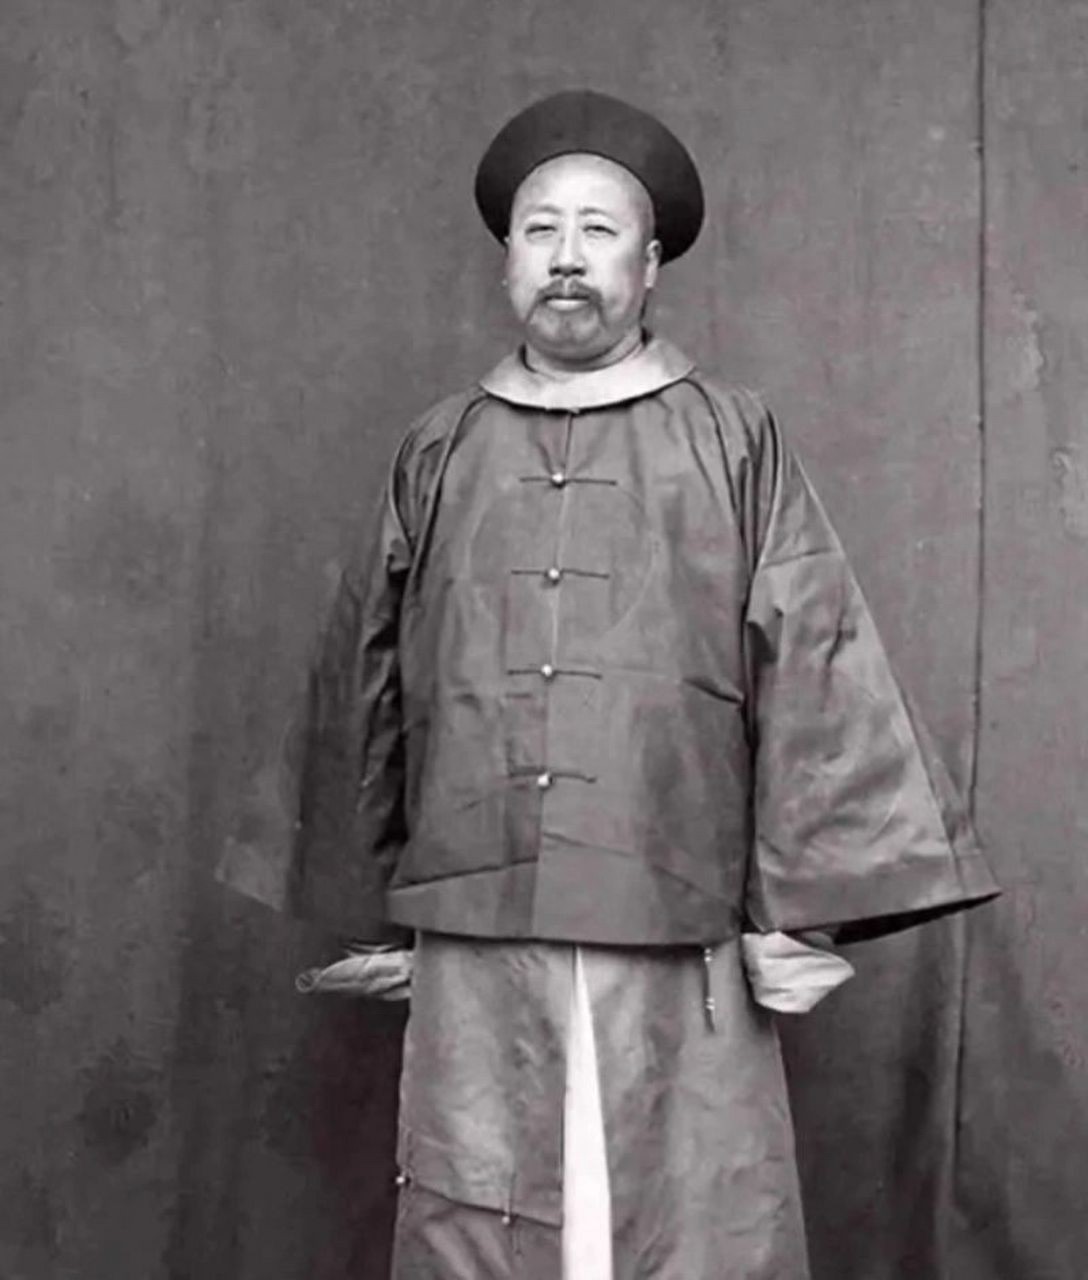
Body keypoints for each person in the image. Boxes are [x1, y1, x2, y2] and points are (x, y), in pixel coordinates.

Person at [227, 90, 999, 1279]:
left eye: (598, 231)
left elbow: (809, 650)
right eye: (540, 230)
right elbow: (365, 670)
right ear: (505, 263)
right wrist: (373, 902)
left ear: (649, 265)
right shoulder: (439, 447)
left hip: (671, 908)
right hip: (472, 913)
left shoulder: (732, 436)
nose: (567, 257)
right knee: (475, 1203)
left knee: (681, 1211)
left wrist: (796, 913)